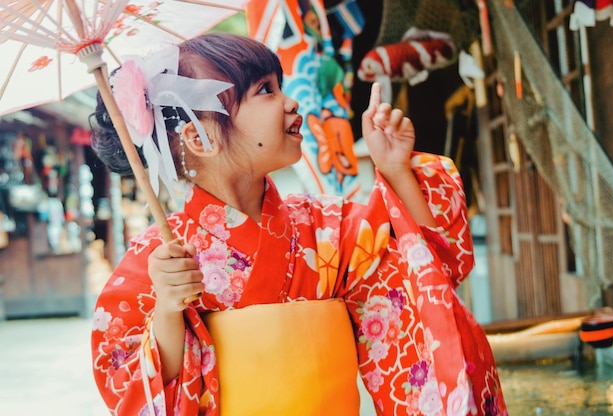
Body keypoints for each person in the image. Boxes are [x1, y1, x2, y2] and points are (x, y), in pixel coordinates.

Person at [90, 32, 507, 416]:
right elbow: (126, 382)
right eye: (265, 91)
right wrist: (168, 308)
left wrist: (395, 170)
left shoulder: (326, 224)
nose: (291, 102)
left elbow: (427, 272)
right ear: (201, 138)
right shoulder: (158, 258)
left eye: (280, 85)